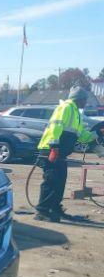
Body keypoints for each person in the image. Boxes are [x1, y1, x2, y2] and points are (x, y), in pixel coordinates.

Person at [35, 86, 97, 222]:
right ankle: (42, 211)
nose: (86, 102)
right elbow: (55, 126)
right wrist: (54, 147)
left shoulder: (76, 113)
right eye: (85, 99)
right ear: (79, 99)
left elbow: (81, 135)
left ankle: (55, 208)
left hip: (60, 153)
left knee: (59, 183)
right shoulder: (66, 107)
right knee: (51, 182)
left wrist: (95, 135)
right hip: (51, 150)